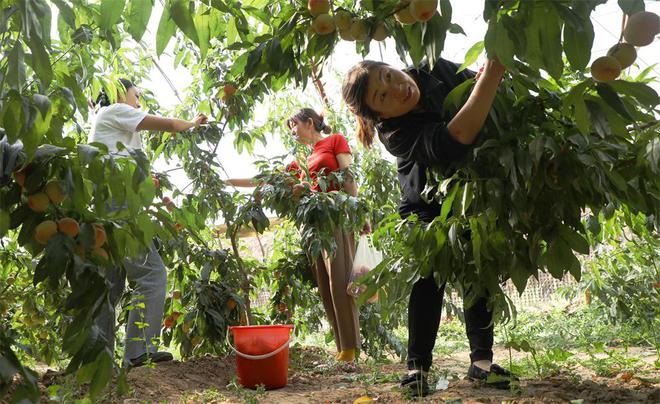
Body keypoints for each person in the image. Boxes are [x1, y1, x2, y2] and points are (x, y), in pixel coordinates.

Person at [341, 58, 516, 395]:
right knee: (428, 277)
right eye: (383, 97)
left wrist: (492, 71)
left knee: (478, 270)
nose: (397, 89)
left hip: (468, 191)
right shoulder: (394, 134)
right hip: (424, 204)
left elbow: (477, 88)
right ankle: (418, 367)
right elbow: (455, 138)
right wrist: (492, 74)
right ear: (382, 116)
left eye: (389, 76)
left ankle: (481, 364)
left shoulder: (432, 68)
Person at [227, 108, 368, 362]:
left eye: (293, 126)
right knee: (325, 286)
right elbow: (269, 178)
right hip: (312, 225)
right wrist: (229, 181)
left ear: (309, 122)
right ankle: (341, 347)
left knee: (340, 281)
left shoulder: (334, 141)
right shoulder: (300, 161)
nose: (292, 132)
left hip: (335, 215)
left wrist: (359, 213)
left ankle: (350, 347)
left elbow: (348, 176)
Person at [89, 78, 208, 368]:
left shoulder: (108, 121)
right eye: (136, 95)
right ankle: (138, 353)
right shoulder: (113, 110)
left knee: (110, 285)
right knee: (152, 276)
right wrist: (192, 123)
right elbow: (168, 125)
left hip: (109, 205)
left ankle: (97, 360)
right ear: (118, 94)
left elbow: (126, 163)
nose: (139, 102)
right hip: (119, 205)